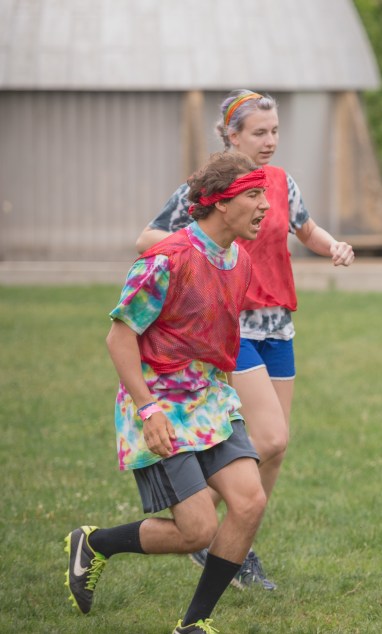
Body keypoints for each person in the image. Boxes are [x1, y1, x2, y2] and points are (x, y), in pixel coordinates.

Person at [136, 90, 355, 591]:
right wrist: (196, 253)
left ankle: (231, 536)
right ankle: (209, 527)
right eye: (260, 132)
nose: (270, 141)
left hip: (280, 325)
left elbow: (306, 229)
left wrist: (333, 247)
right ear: (231, 136)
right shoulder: (209, 188)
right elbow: (148, 238)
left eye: (275, 131)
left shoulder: (281, 183)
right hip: (234, 326)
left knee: (275, 448)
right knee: (272, 436)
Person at [66, 151, 271, 633]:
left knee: (249, 502)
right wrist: (148, 408)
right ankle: (95, 544)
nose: (265, 205)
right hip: (158, 402)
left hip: (210, 398)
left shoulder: (239, 257)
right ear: (222, 204)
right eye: (254, 195)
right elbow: (120, 337)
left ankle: (193, 625)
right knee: (196, 531)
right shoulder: (167, 260)